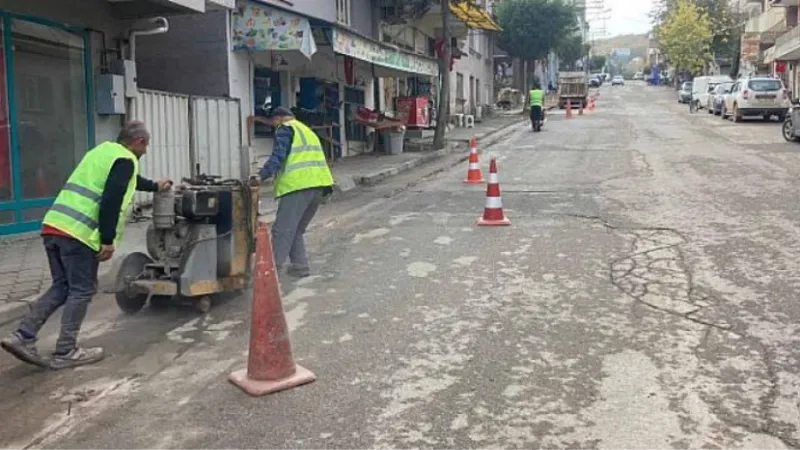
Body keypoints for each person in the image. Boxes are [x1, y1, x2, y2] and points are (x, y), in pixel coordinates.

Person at [0, 121, 171, 370]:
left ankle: (22, 335)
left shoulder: (102, 152)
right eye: (146, 146)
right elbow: (111, 199)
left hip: (54, 226)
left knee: (62, 287)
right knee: (81, 290)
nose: (145, 151)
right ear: (139, 142)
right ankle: (66, 350)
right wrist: (107, 240)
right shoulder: (125, 160)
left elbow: (127, 181)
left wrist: (156, 186)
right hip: (78, 234)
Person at [259, 107, 335, 278]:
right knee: (296, 229)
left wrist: (261, 176)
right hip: (319, 185)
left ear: (278, 119)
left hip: (298, 186)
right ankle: (300, 266)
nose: (273, 126)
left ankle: (271, 273)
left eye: (273, 123)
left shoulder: (285, 129)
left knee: (282, 230)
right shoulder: (305, 130)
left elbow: (278, 155)